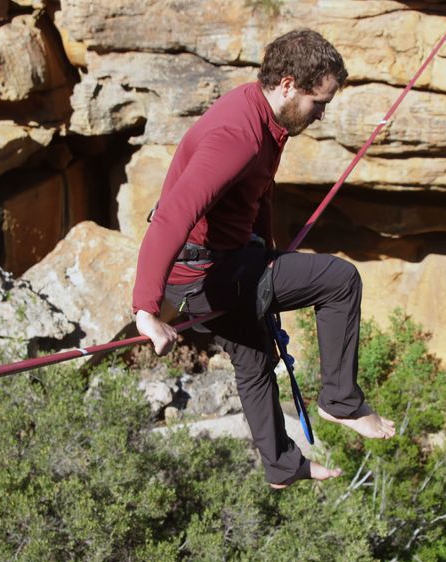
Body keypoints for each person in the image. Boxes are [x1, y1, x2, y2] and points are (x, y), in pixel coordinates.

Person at [132, 28, 396, 489]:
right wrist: (146, 310)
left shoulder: (263, 115)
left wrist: (269, 250)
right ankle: (340, 399)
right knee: (340, 280)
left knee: (254, 357)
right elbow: (174, 213)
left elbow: (256, 194)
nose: (322, 114)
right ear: (289, 85)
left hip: (215, 266)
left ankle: (282, 465)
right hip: (205, 275)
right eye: (320, 102)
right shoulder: (238, 135)